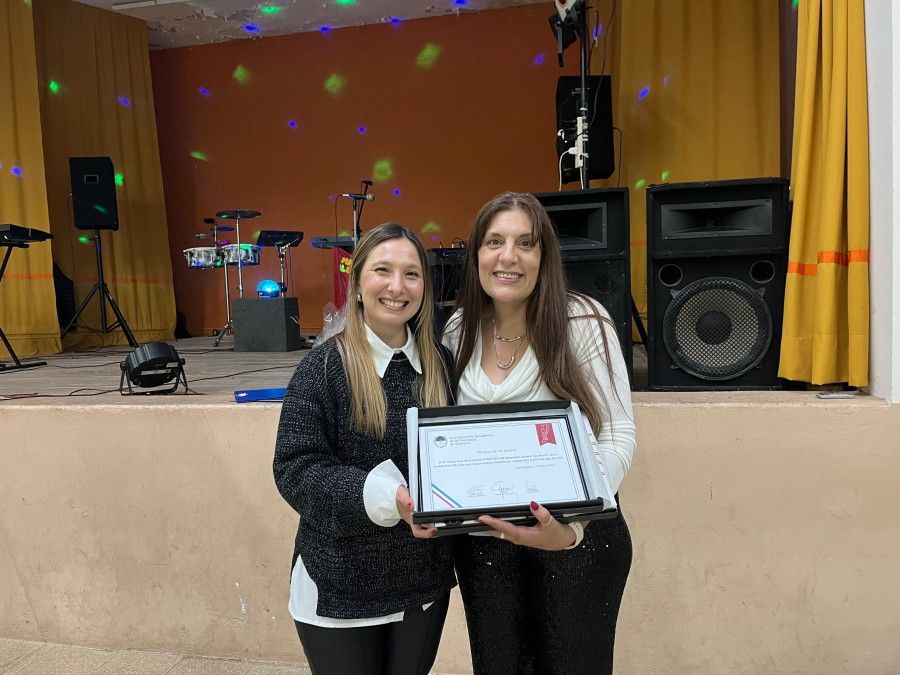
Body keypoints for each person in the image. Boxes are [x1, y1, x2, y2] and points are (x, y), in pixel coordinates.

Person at [442, 192, 637, 675]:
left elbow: (617, 433)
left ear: (544, 256)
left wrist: (573, 527)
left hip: (577, 542)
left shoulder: (582, 321)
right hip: (484, 546)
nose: (508, 256)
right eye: (494, 242)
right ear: (476, 254)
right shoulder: (458, 329)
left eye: (525, 243)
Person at [273, 222, 456, 675]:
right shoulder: (322, 368)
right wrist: (389, 498)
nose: (397, 286)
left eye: (411, 274)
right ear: (356, 284)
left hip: (422, 584)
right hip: (339, 584)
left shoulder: (442, 365)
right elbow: (295, 469)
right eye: (382, 270)